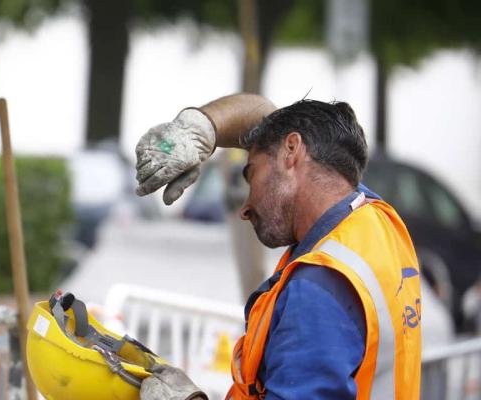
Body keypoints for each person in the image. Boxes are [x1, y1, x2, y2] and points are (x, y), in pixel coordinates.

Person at [134, 94, 422, 399]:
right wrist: (198, 129)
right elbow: (265, 116)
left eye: (251, 174)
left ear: (292, 151)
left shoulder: (319, 288)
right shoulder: (373, 220)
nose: (244, 209)